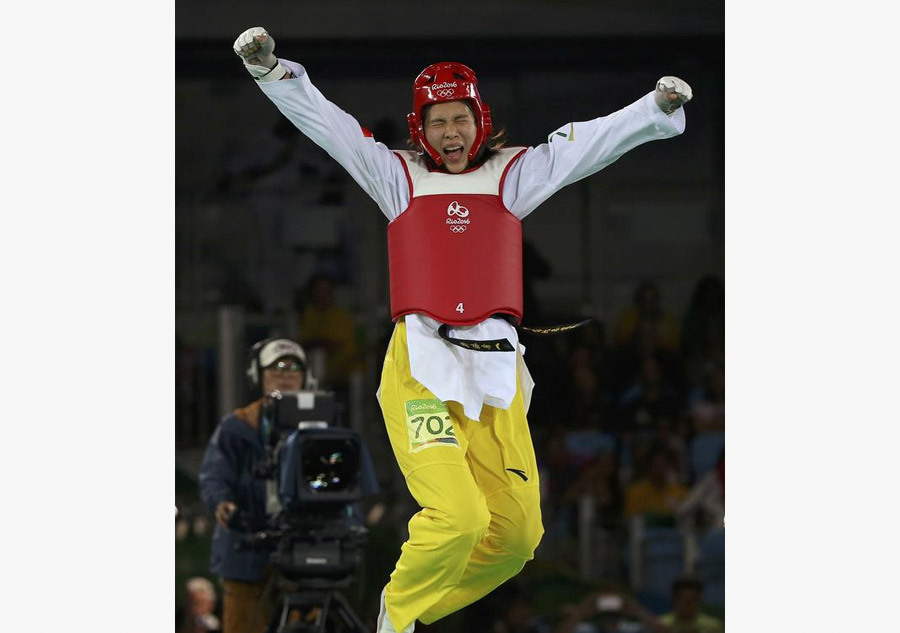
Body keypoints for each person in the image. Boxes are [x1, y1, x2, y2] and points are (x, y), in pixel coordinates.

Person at [230, 26, 693, 633]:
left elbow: (588, 145)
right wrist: (272, 73)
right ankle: (393, 621)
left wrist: (654, 109)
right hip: (420, 370)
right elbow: (332, 126)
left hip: (494, 374)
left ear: (481, 119)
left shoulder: (513, 174)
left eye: (462, 120)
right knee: (460, 518)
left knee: (518, 536)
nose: (452, 134)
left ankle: (413, 615)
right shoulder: (397, 177)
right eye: (439, 121)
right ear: (421, 126)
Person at [198, 337, 311, 633]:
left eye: (292, 370)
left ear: (306, 378)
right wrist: (221, 501)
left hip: (303, 546)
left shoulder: (321, 426)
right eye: (275, 370)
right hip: (245, 544)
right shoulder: (237, 426)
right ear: (256, 377)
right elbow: (214, 475)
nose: (285, 377)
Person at [657, 577, 724, 633]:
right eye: (684, 600)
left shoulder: (713, 627)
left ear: (699, 599)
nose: (687, 606)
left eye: (692, 600)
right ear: (674, 599)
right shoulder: (662, 625)